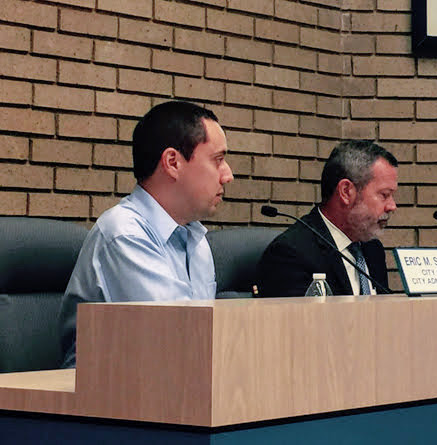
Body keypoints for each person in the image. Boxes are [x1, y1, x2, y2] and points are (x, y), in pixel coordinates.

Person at [58, 101, 233, 367]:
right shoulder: (124, 234)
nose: (227, 175)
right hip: (106, 399)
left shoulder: (195, 239)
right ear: (173, 162)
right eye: (218, 160)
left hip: (172, 391)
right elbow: (175, 341)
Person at [258, 140, 398, 297]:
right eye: (384, 195)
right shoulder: (290, 255)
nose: (392, 206)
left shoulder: (372, 249)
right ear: (346, 192)